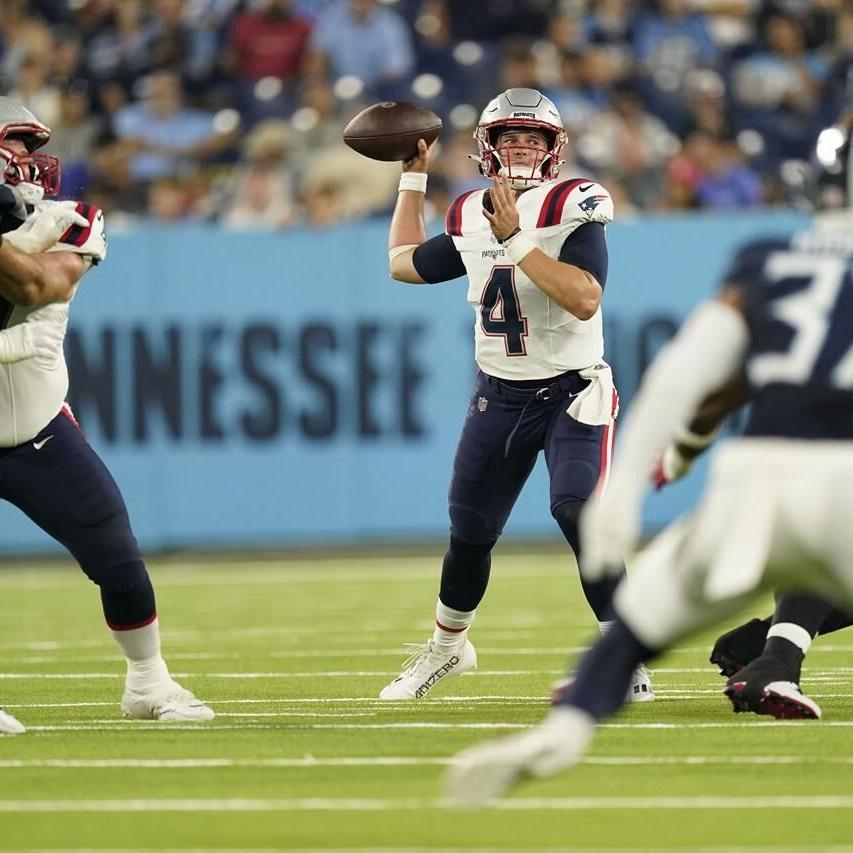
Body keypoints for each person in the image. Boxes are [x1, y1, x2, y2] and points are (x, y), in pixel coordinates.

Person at [443, 121, 853, 803]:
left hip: (751, 483)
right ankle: (776, 651)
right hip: (841, 481)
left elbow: (686, 375)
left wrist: (639, 477)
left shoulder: (764, 259)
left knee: (638, 628)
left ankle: (561, 734)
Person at [379, 87, 653, 702]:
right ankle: (447, 651)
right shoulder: (472, 211)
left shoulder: (573, 202)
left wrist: (518, 239)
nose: (522, 148)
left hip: (572, 391)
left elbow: (584, 297)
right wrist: (412, 180)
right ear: (488, 148)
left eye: (533, 138)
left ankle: (624, 658)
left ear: (555, 150)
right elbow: (402, 262)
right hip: (499, 394)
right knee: (469, 532)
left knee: (578, 511)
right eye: (510, 138)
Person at [0, 97, 213, 735]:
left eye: (33, 148)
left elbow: (38, 288)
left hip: (36, 426)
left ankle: (148, 683)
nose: (31, 162)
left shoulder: (72, 219)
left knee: (116, 554)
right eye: (18, 147)